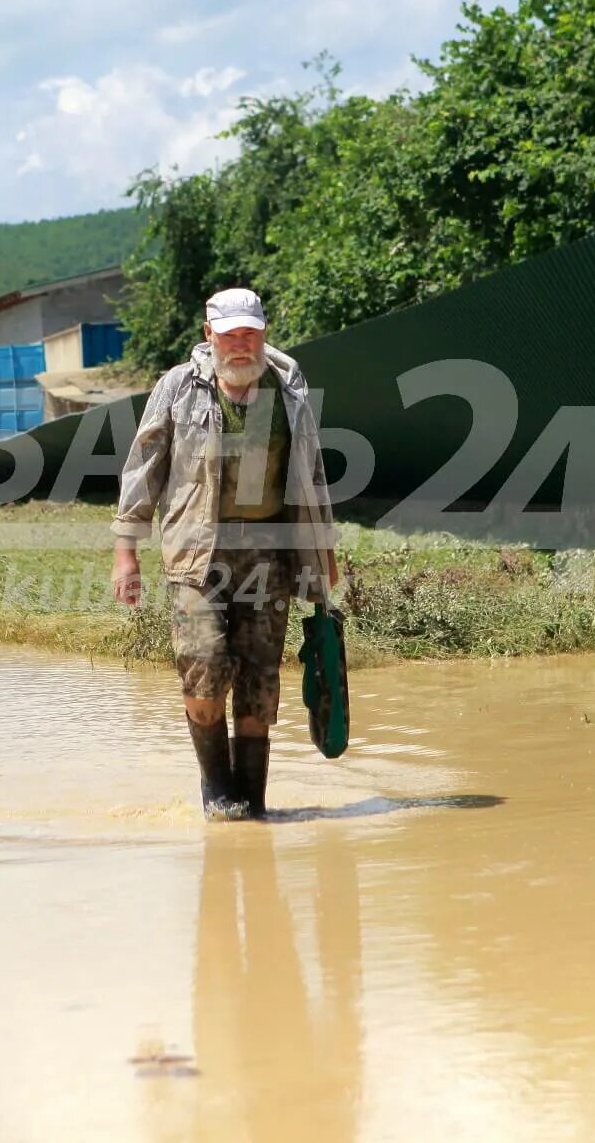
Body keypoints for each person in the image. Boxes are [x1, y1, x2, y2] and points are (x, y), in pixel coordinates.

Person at [110, 287, 339, 820]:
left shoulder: (289, 389)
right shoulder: (178, 387)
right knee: (204, 669)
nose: (240, 344)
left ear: (263, 334)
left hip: (269, 556)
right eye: (230, 334)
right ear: (208, 334)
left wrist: (323, 552)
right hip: (197, 552)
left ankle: (252, 808)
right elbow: (144, 467)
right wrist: (126, 553)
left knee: (260, 684)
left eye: (249, 334)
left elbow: (312, 474)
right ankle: (217, 794)